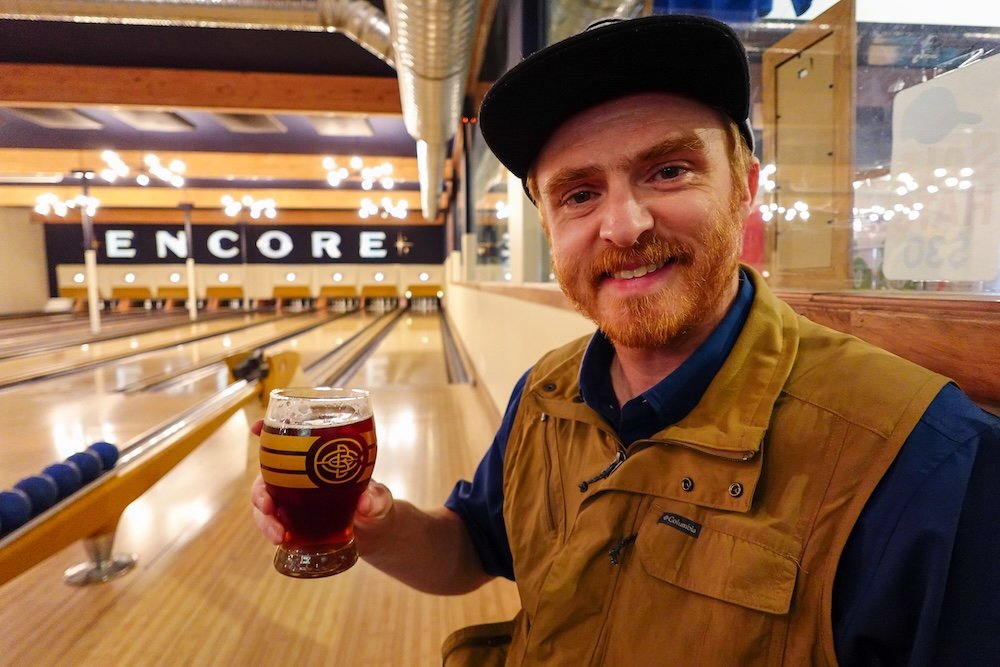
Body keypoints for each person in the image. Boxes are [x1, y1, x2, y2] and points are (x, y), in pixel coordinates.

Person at [252, 14, 1000, 666]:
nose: (624, 225)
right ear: (549, 227)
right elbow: (472, 549)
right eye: (579, 194)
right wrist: (376, 523)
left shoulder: (928, 459)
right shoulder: (546, 392)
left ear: (744, 188)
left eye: (669, 171)